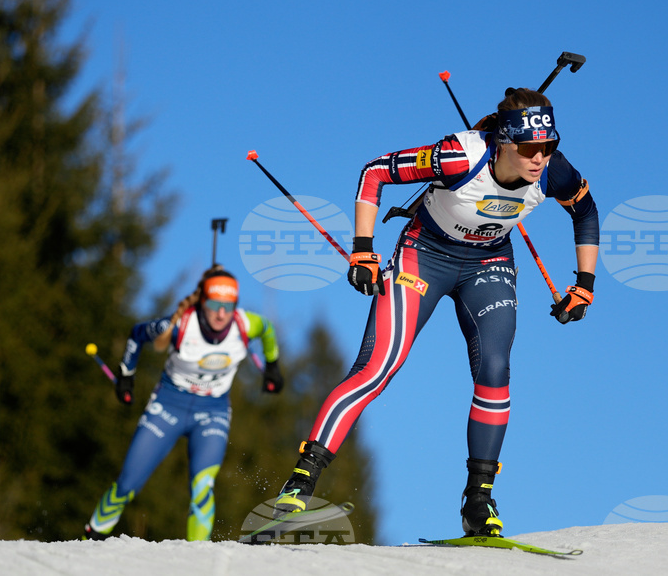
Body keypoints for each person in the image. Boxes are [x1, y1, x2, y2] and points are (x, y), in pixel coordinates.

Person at [273, 87, 599, 537]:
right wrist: (363, 251)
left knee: (496, 370)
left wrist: (585, 284)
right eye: (528, 147)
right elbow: (374, 173)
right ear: (503, 141)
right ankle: (300, 483)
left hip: (488, 262)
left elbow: (585, 210)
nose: (539, 158)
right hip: (424, 255)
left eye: (547, 147)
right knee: (378, 368)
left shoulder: (552, 173)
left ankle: (478, 502)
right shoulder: (458, 157)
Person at [83, 266, 283, 541]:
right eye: (214, 304)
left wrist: (272, 365)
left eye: (228, 306)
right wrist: (126, 375)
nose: (221, 313)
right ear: (202, 302)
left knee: (203, 486)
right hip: (168, 406)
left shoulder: (245, 324)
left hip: (212, 411)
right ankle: (89, 539)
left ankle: (197, 560)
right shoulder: (179, 325)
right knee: (127, 484)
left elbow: (269, 330)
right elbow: (137, 334)